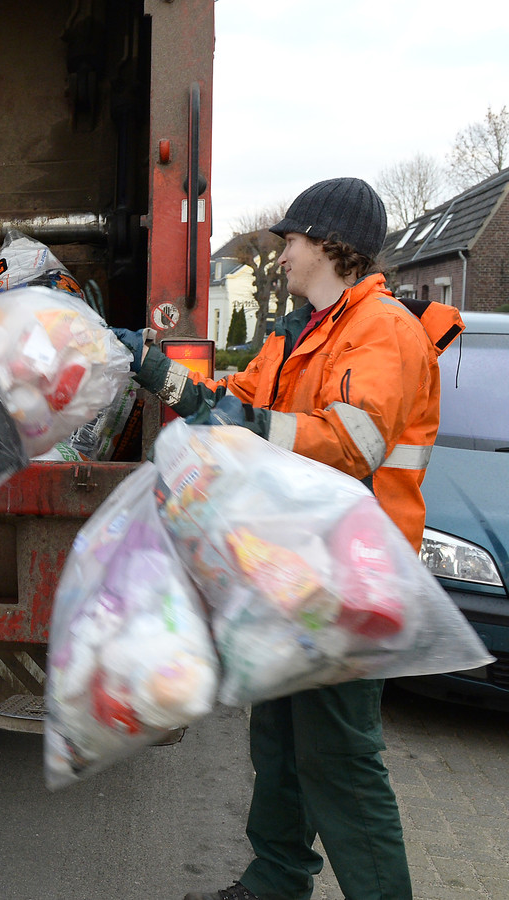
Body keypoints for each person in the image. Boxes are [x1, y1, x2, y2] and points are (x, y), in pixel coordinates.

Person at [113, 177, 464, 900]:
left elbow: (351, 443)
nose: (281, 257)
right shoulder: (300, 334)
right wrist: (153, 370)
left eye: (292, 242)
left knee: (340, 760)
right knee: (278, 743)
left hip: (351, 579)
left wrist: (241, 428)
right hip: (293, 569)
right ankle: (274, 880)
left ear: (332, 245)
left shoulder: (383, 331)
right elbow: (230, 403)